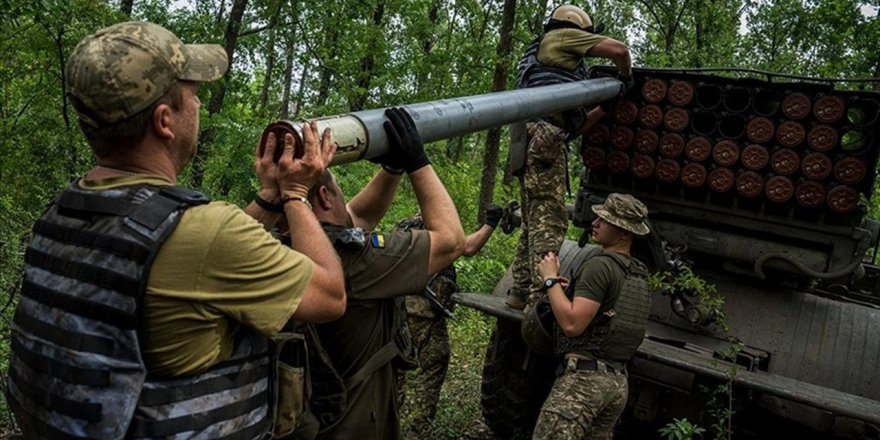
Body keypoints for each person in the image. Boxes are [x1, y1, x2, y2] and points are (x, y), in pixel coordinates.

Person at [6, 21, 345, 439]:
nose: (199, 106)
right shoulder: (206, 231)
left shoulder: (63, 212)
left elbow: (190, 261)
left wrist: (270, 197)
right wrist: (296, 193)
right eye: (193, 95)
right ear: (165, 120)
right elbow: (329, 296)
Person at [307, 107, 465, 439]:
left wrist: (392, 168)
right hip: (353, 423)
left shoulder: (296, 241)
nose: (345, 201)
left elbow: (356, 216)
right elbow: (451, 242)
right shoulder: (356, 261)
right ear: (324, 196)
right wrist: (418, 162)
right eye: (337, 190)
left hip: (315, 417)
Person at [507, 4, 633, 310]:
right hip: (546, 141)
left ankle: (519, 291)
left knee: (533, 222)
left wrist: (603, 109)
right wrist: (625, 77)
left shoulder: (549, 68)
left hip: (533, 142)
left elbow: (572, 126)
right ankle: (541, 301)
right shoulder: (562, 37)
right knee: (549, 221)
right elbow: (619, 50)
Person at [532, 193, 652, 440]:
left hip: (584, 384)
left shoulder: (600, 265)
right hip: (616, 385)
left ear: (624, 233)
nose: (595, 223)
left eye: (605, 220)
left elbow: (572, 324)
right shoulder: (638, 274)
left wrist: (550, 279)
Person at [395, 204, 504, 438]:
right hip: (419, 312)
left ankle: (397, 420)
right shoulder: (427, 228)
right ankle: (416, 426)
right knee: (430, 361)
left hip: (408, 311)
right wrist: (490, 224)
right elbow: (468, 247)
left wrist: (490, 224)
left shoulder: (407, 227)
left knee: (400, 365)